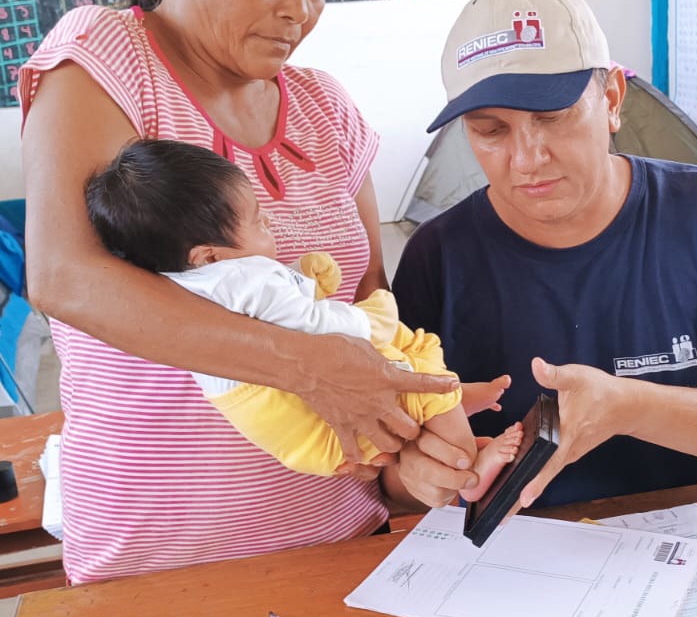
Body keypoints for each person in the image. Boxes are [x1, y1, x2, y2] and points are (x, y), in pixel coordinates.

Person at [19, 0, 474, 584]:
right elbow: (67, 276)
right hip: (162, 562)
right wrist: (305, 366)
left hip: (342, 540)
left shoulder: (325, 107)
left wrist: (411, 462)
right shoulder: (107, 60)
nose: (299, 7)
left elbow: (370, 309)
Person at [392, 0, 697, 511]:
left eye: (552, 117)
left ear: (611, 98)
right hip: (513, 569)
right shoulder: (438, 257)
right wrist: (418, 478)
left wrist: (628, 406)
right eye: (491, 131)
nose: (527, 158)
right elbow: (395, 478)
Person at [83, 138, 521, 491]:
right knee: (405, 360)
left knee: (404, 374)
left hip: (291, 432)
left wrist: (301, 276)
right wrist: (375, 315)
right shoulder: (247, 278)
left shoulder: (184, 283)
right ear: (208, 254)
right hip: (307, 420)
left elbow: (277, 310)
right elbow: (321, 329)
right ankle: (471, 466)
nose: (269, 224)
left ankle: (452, 402)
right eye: (256, 221)